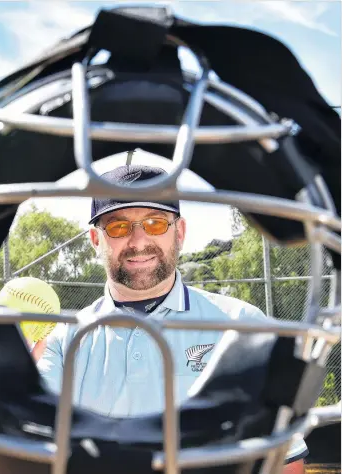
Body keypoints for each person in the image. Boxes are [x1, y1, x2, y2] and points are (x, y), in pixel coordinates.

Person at [37, 164, 309, 473]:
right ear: (96, 239)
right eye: (117, 227)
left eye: (154, 223)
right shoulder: (64, 339)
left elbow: (285, 458)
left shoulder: (242, 325)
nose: (138, 241)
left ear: (179, 232)